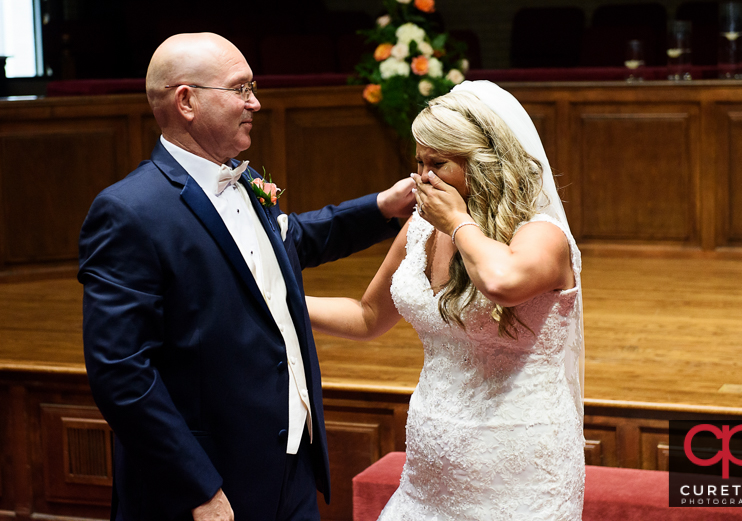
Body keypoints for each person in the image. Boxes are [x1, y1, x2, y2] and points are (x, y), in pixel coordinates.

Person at [79, 33, 415, 521]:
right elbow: (121, 372)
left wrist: (381, 208)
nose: (254, 102)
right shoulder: (129, 211)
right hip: (210, 485)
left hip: (290, 467)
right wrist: (199, 488)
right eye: (240, 88)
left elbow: (288, 240)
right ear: (187, 100)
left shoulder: (241, 177)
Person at [306, 80, 585, 520]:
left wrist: (456, 221)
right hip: (429, 478)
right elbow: (367, 316)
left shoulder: (542, 235)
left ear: (485, 164)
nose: (423, 178)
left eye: (438, 163)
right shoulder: (421, 229)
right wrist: (276, 301)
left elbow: (501, 281)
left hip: (518, 469)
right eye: (419, 162)